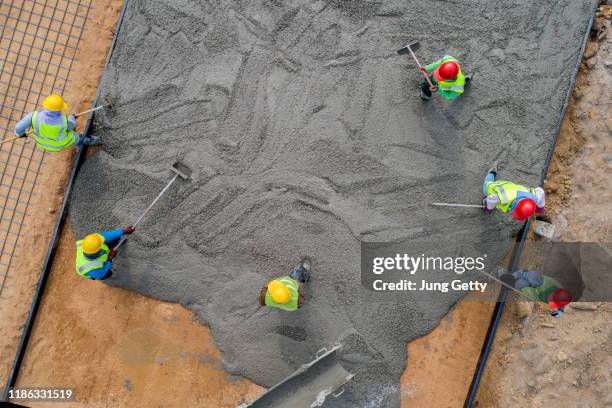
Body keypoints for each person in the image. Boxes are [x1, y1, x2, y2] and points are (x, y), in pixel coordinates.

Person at [14, 94, 100, 151]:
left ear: (45, 106)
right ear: (59, 109)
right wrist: (72, 118)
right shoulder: (64, 121)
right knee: (76, 137)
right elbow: (72, 125)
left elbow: (18, 128)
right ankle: (85, 141)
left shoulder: (33, 116)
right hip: (60, 144)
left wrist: (20, 134)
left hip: (42, 144)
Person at [499, 269, 572, 317]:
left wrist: (554, 314)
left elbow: (560, 310)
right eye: (551, 298)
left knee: (520, 282)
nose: (550, 299)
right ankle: (501, 273)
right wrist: (517, 276)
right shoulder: (538, 281)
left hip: (530, 286)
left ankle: (516, 275)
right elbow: (527, 287)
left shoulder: (559, 299)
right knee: (515, 283)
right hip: (528, 283)